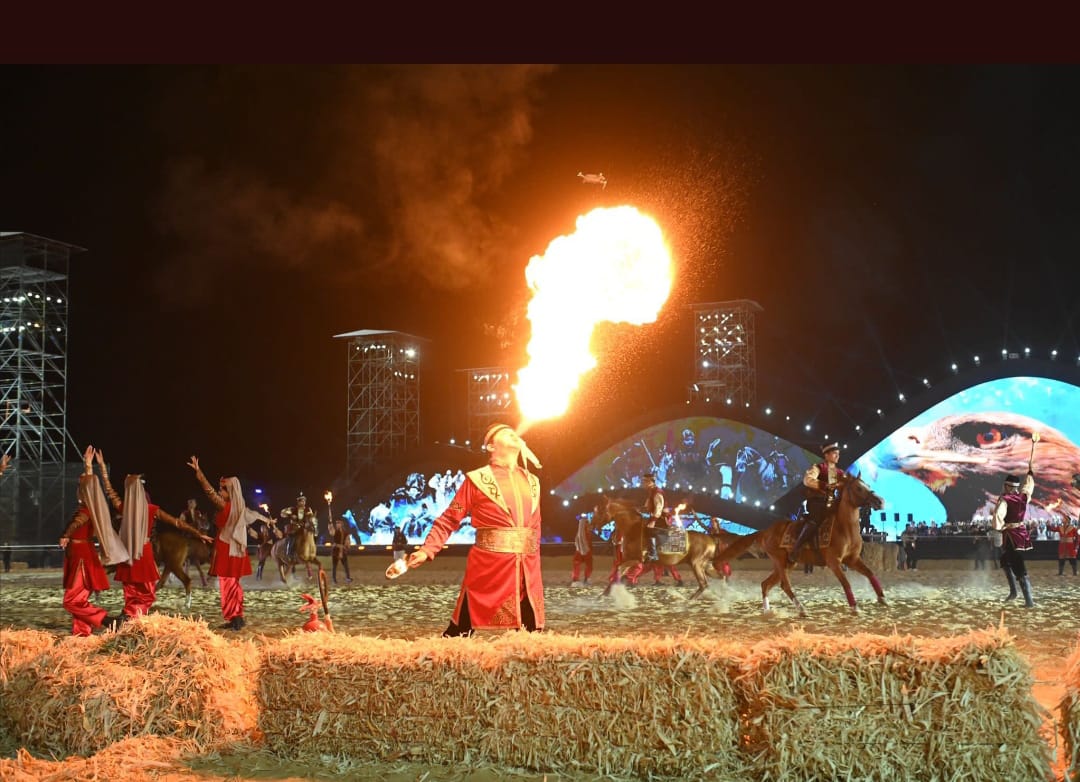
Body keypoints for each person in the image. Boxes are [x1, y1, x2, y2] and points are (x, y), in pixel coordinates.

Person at [406, 422, 545, 636]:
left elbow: (536, 527)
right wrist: (427, 549)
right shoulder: (478, 480)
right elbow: (449, 519)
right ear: (490, 447)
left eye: (513, 432)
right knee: (461, 631)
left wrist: (533, 562)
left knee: (531, 634)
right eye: (505, 433)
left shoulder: (533, 482)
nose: (512, 434)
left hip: (527, 569)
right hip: (489, 567)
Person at [97, 451, 211, 624]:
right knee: (147, 592)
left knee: (131, 588)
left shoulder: (124, 508)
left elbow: (110, 492)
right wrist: (198, 533)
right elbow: (177, 523)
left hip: (129, 553)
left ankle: (129, 614)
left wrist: (103, 470)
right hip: (144, 551)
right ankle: (134, 615)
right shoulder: (151, 509)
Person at [186, 455, 270, 630]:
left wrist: (199, 473)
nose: (220, 493)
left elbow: (208, 492)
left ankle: (234, 618)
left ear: (230, 491)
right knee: (233, 584)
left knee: (228, 585)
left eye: (222, 490)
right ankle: (237, 616)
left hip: (227, 548)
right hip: (236, 549)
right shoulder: (240, 507)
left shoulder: (227, 506)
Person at [58, 446, 129, 636]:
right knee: (79, 600)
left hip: (82, 559)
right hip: (81, 557)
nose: (78, 490)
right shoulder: (90, 506)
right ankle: (82, 634)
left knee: (70, 601)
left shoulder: (86, 510)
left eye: (80, 488)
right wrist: (88, 466)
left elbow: (78, 521)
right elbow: (90, 486)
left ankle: (106, 620)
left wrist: (66, 534)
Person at [789, 442, 845, 566]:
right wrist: (824, 485)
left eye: (838, 454)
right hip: (817, 502)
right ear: (827, 455)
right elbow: (807, 480)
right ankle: (796, 549)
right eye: (835, 453)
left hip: (832, 504)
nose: (837, 456)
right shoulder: (818, 468)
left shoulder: (840, 472)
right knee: (815, 520)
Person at [992, 468, 1036, 607]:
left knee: (1017, 564)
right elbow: (1028, 487)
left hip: (1011, 534)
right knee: (1005, 560)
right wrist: (1029, 475)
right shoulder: (1023, 497)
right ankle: (1014, 592)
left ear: (1006, 486)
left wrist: (998, 528)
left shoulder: (1005, 499)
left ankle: (1029, 601)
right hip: (1020, 533)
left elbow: (998, 516)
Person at [279, 494, 316, 562]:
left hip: (304, 528)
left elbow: (312, 518)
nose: (302, 502)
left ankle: (311, 553)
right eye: (301, 501)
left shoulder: (308, 509)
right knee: (292, 538)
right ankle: (289, 553)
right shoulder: (293, 509)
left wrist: (312, 523)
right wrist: (289, 514)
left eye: (304, 501)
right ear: (298, 502)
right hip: (295, 529)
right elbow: (283, 513)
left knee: (312, 536)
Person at [641, 471, 665, 562]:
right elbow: (646, 506)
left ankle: (653, 553)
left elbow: (659, 508)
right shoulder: (651, 492)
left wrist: (653, 520)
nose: (643, 484)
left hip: (660, 518)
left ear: (650, 482)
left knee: (649, 529)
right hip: (653, 516)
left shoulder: (657, 492)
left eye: (645, 482)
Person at [571, 512, 594, 586]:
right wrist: (584, 548)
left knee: (588, 564)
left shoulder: (587, 528)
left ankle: (585, 578)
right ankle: (576, 579)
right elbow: (580, 537)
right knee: (578, 563)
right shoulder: (582, 526)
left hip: (585, 548)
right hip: (582, 548)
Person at [331, 517, 353, 584]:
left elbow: (347, 541)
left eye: (338, 523)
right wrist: (330, 525)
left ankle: (348, 578)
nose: (337, 524)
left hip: (342, 551)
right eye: (336, 523)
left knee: (346, 566)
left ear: (341, 524)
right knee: (334, 566)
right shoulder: (335, 532)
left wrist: (347, 546)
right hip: (335, 551)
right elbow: (331, 532)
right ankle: (334, 579)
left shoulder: (345, 533)